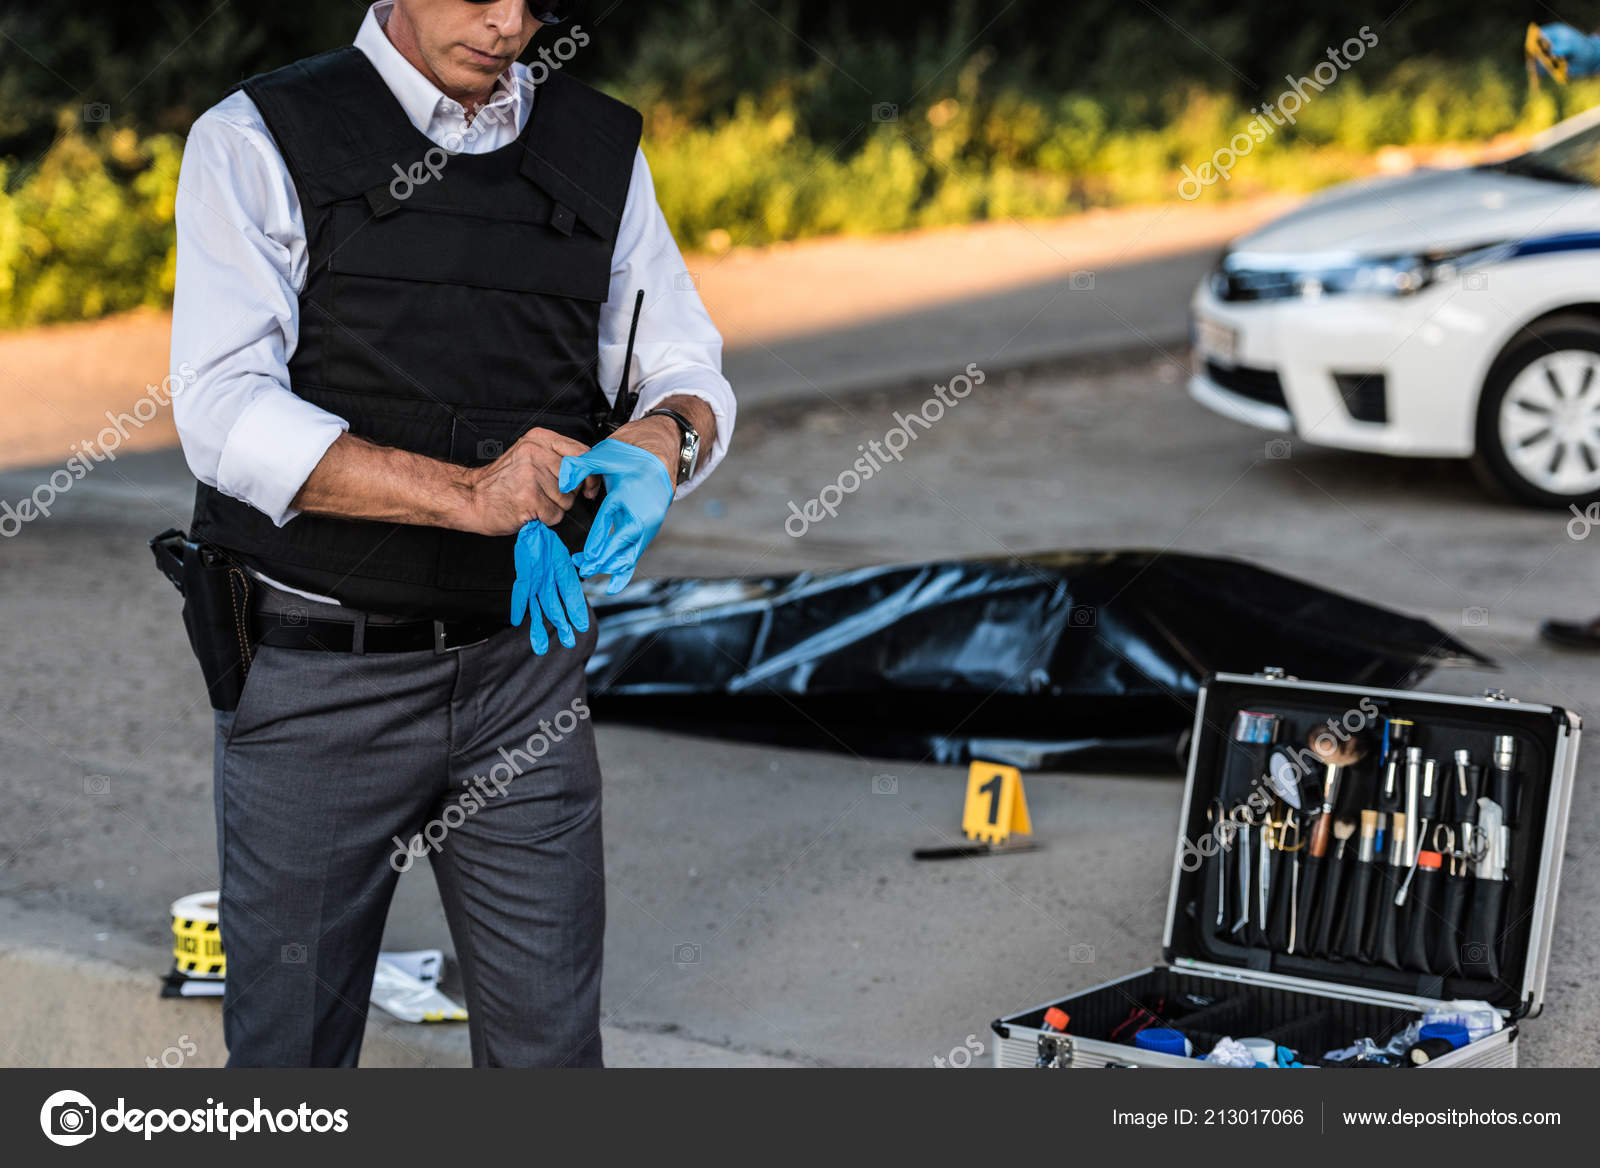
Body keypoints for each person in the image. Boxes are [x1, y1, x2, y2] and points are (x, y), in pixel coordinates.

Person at [169, 0, 733, 1067]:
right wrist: (468, 494)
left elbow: (684, 361)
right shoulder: (256, 138)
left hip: (524, 670)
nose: (509, 22)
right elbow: (222, 413)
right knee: (289, 1067)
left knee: (552, 1063)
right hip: (315, 681)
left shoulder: (597, 148)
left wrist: (666, 441)